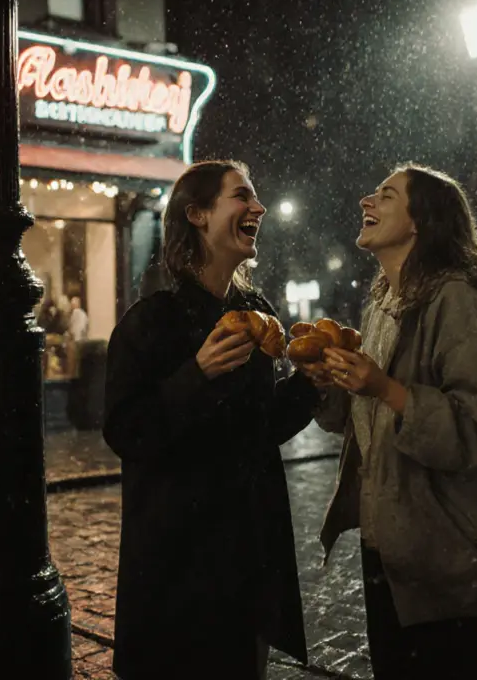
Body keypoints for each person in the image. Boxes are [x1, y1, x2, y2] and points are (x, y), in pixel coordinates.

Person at [309, 163, 477, 679]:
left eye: (386, 195)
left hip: (456, 558)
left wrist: (384, 386)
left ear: (420, 223)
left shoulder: (457, 302)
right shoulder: (383, 303)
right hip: (392, 551)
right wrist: (332, 381)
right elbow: (367, 422)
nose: (367, 200)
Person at [103, 161, 318, 679]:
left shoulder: (258, 313)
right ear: (197, 214)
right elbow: (126, 430)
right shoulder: (150, 321)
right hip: (178, 562)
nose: (258, 208)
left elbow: (261, 429)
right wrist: (195, 374)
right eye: (241, 196)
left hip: (247, 554)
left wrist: (311, 383)